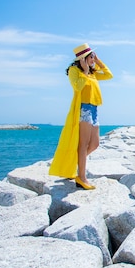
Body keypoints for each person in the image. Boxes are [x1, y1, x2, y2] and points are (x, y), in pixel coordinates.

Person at [49, 43, 113, 189]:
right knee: (83, 144)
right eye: (91, 56)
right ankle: (81, 177)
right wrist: (84, 71)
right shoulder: (75, 70)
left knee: (95, 143)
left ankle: (75, 165)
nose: (93, 58)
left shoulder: (93, 72)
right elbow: (77, 87)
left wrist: (98, 62)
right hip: (83, 109)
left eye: (93, 56)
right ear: (83, 58)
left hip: (94, 108)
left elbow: (109, 75)